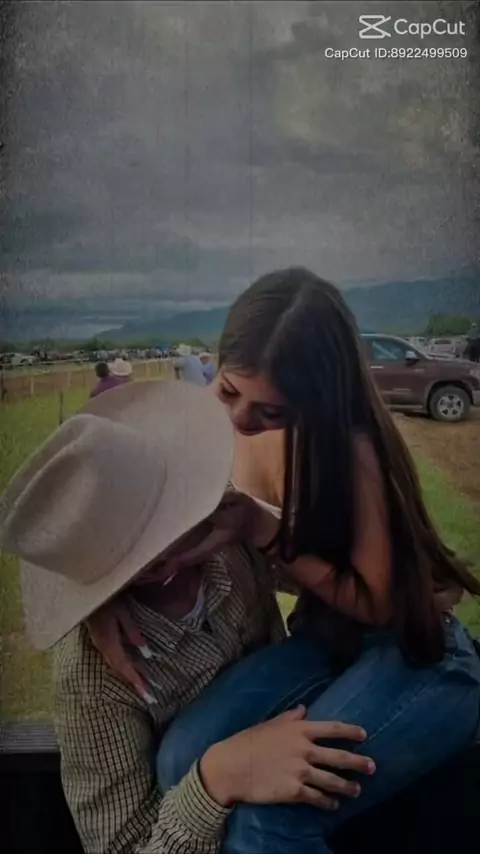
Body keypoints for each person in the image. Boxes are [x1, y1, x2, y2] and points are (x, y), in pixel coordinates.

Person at [151, 267, 480, 854]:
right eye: (229, 391)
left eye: (270, 411)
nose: (241, 419)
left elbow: (378, 606)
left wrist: (263, 529)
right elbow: (110, 511)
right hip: (329, 643)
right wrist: (101, 610)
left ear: (318, 401)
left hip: (418, 652)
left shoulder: (353, 451)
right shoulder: (208, 422)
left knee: (268, 821)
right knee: (180, 762)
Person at [0, 380, 373, 854]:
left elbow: (346, 577)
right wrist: (217, 778)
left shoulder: (224, 530)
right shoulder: (93, 679)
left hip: (314, 771)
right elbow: (123, 846)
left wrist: (263, 527)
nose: (158, 553)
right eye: (128, 548)